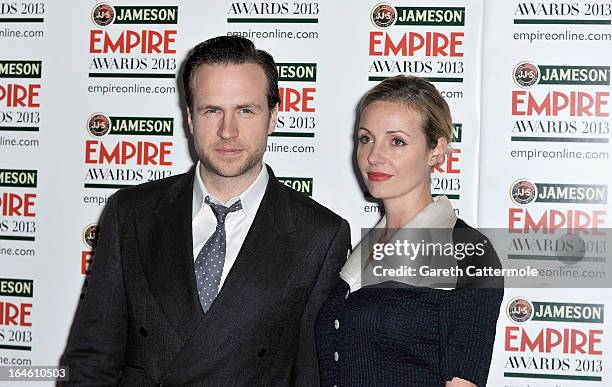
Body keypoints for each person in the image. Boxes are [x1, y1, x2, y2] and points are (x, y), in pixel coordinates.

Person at [61, 36, 351, 386]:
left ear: (274, 116)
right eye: (211, 110)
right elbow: (91, 361)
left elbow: (312, 376)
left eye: (245, 110)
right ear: (189, 118)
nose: (227, 131)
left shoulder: (319, 235)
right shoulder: (131, 214)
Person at [315, 76, 503, 387]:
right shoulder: (356, 250)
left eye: (397, 141)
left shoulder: (468, 252)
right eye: (366, 138)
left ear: (436, 150)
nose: (374, 156)